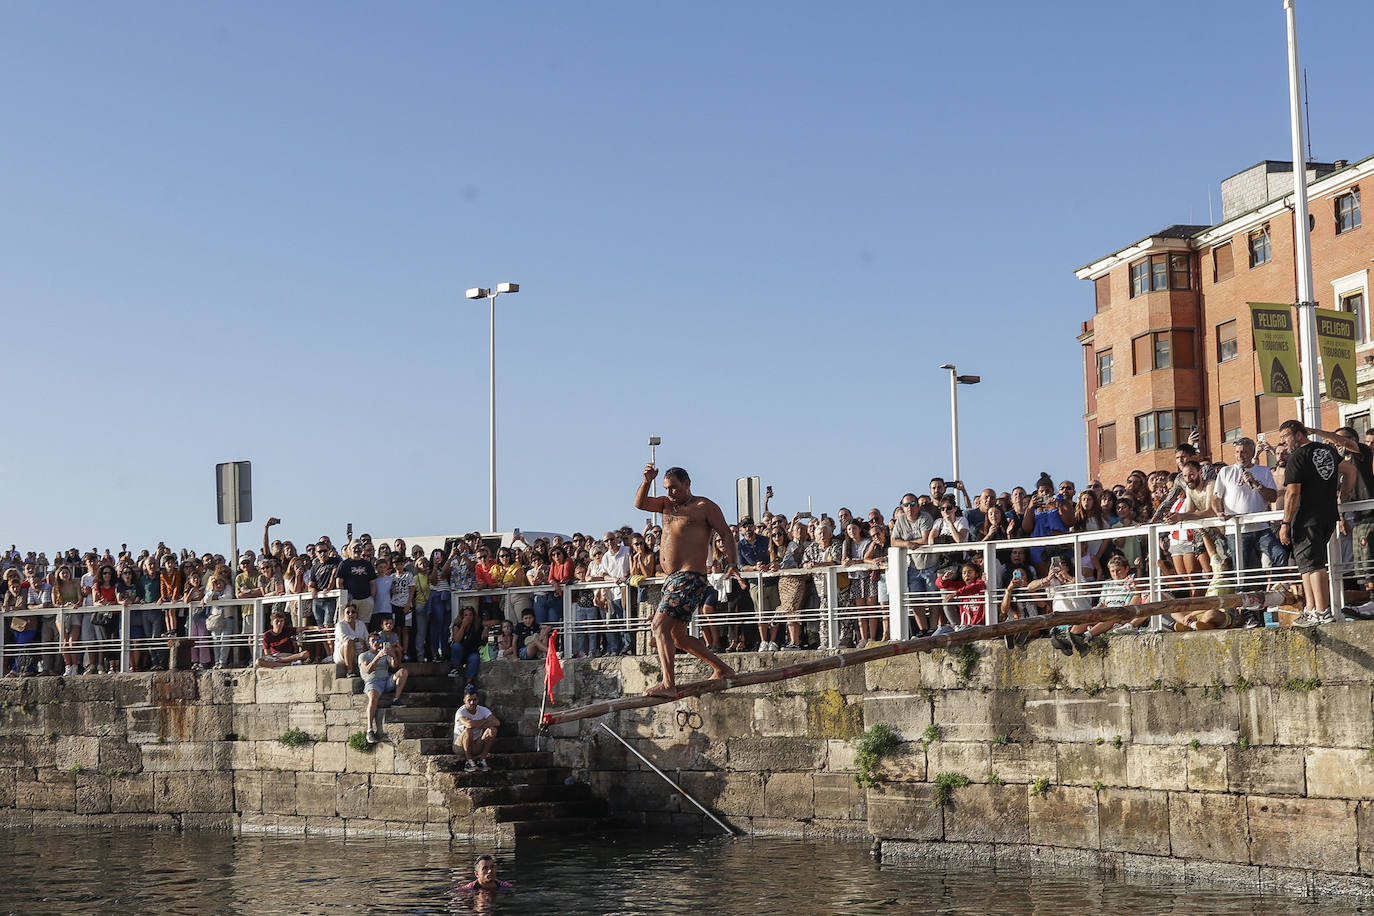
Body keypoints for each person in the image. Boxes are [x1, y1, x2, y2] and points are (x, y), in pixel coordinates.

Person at [633, 464, 736, 696]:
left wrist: (731, 564)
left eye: (675, 488)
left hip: (690, 577)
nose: (670, 493)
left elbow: (726, 534)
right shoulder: (666, 505)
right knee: (677, 637)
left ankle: (669, 684)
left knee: (658, 626)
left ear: (687, 484)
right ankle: (722, 668)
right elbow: (640, 503)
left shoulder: (704, 506)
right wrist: (648, 480)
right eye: (667, 488)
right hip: (672, 579)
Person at [1278, 419, 1355, 626]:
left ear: (1298, 434)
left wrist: (1285, 523)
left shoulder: (1298, 457)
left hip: (1306, 518)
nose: (1283, 443)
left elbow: (1292, 493)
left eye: (1285, 437)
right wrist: (1343, 495)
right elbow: (1350, 471)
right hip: (1327, 515)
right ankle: (1311, 609)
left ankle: (1321, 610)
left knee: (1314, 566)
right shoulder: (1326, 451)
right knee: (1306, 565)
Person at [1210, 436, 1282, 621]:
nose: (1240, 455)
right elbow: (1216, 499)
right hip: (1237, 531)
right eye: (1237, 452)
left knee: (1279, 554)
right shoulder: (1226, 472)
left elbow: (1272, 497)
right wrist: (1219, 512)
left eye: (1243, 451)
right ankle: (1251, 616)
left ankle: (1272, 595)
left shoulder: (1263, 470)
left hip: (1261, 528)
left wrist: (1256, 483)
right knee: (1244, 574)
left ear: (1252, 452)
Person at [359, 631, 409, 744]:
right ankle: (370, 730)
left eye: (378, 641)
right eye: (373, 641)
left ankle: (396, 699)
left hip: (386, 681)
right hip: (373, 682)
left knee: (403, 672)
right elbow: (367, 670)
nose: (376, 643)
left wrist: (393, 655)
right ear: (369, 643)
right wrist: (378, 656)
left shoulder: (384, 654)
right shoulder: (364, 656)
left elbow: (395, 666)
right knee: (373, 698)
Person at [454, 684, 500, 772]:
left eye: (474, 700)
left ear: (478, 699)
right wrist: (485, 722)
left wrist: (477, 724)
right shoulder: (460, 712)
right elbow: (469, 725)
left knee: (493, 730)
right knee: (468, 731)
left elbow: (496, 722)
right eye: (469, 700)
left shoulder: (483, 710)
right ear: (464, 700)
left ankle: (482, 760)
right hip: (460, 746)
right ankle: (469, 761)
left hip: (475, 745)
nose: (472, 703)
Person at [332, 603, 370, 676]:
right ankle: (350, 670)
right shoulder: (340, 625)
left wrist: (365, 643)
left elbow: (367, 638)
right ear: (344, 614)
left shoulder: (361, 624)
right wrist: (358, 639)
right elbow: (344, 638)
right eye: (348, 612)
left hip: (360, 651)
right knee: (349, 642)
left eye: (353, 612)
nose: (350, 614)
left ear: (356, 614)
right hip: (343, 653)